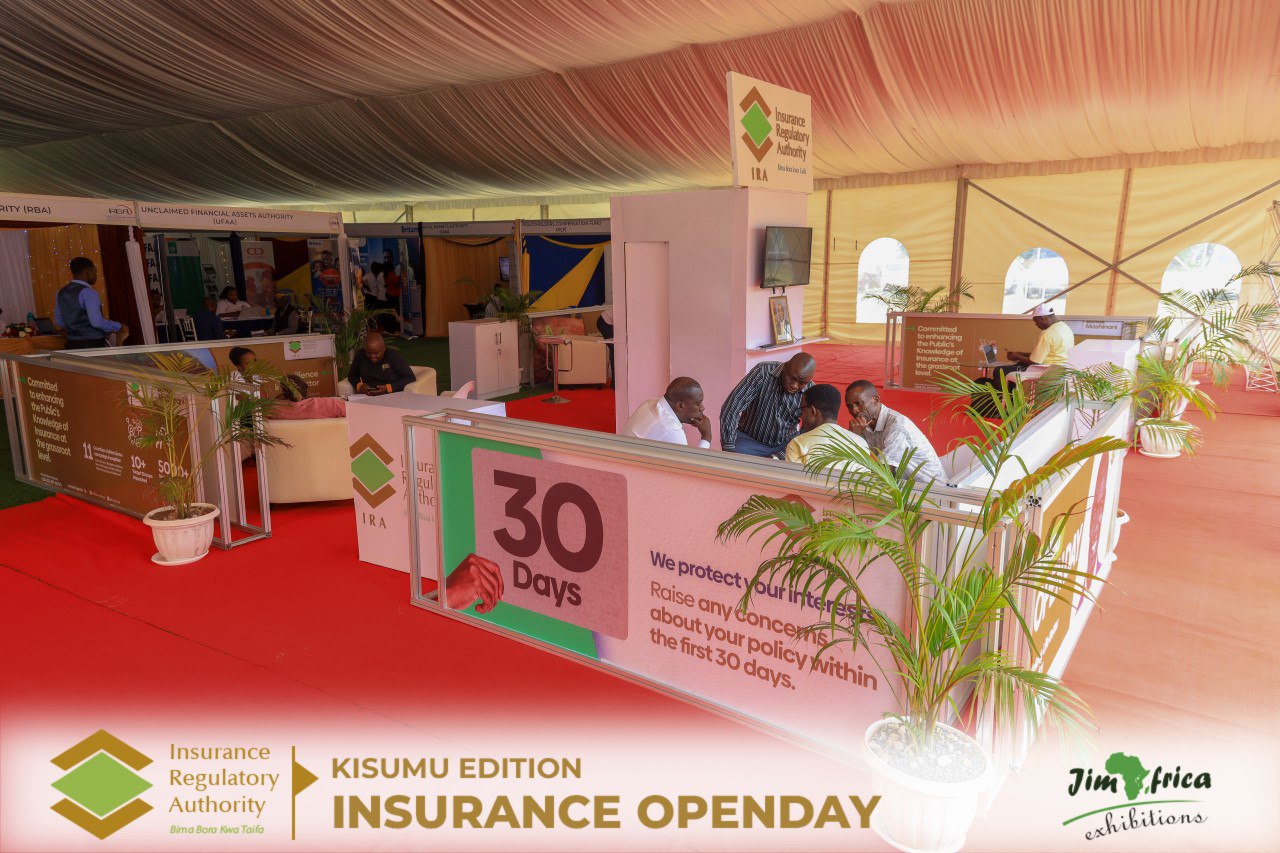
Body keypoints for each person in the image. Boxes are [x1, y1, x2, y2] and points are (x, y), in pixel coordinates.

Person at [845, 380, 946, 482]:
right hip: (904, 484)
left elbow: (885, 473)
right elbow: (845, 459)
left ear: (875, 400)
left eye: (858, 403)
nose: (854, 410)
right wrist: (854, 435)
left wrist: (855, 436)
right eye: (849, 406)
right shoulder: (863, 424)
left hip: (931, 488)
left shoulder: (897, 426)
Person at [719, 353, 816, 457]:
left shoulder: (811, 390)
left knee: (799, 462)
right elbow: (731, 408)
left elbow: (809, 430)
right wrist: (729, 448)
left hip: (786, 445)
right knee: (735, 462)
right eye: (792, 378)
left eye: (801, 383)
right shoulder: (763, 372)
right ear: (785, 367)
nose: (794, 385)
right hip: (749, 440)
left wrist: (780, 455)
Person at [785, 384, 866, 465]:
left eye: (801, 409)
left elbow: (791, 473)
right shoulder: (861, 443)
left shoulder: (798, 444)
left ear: (812, 411)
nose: (800, 415)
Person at [54, 258, 126, 349]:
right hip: (92, 344)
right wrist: (119, 326)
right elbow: (97, 322)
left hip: (71, 344)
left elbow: (59, 321)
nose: (96, 275)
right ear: (88, 272)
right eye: (95, 271)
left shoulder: (60, 292)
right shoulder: (89, 292)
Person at [623, 377, 713, 449]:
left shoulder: (650, 403)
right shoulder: (671, 429)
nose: (702, 408)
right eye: (698, 404)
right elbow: (690, 465)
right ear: (680, 405)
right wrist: (706, 437)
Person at [1004, 304, 1075, 378]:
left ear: (1043, 318)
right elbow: (1047, 354)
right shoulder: (1065, 327)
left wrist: (1017, 356)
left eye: (1036, 321)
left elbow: (1034, 362)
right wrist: (1022, 354)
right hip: (1062, 369)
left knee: (999, 371)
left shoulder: (1047, 333)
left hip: (1045, 369)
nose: (1036, 324)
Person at [347, 332, 415, 395]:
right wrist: (360, 386)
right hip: (368, 396)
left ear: (384, 348)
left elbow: (410, 377)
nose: (372, 356)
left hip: (391, 394)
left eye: (376, 353)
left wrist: (388, 388)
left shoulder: (392, 356)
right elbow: (352, 375)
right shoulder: (360, 355)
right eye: (368, 353)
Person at [273, 373, 346, 420]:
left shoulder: (273, 410)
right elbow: (349, 409)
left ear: (284, 392)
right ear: (305, 387)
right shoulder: (325, 405)